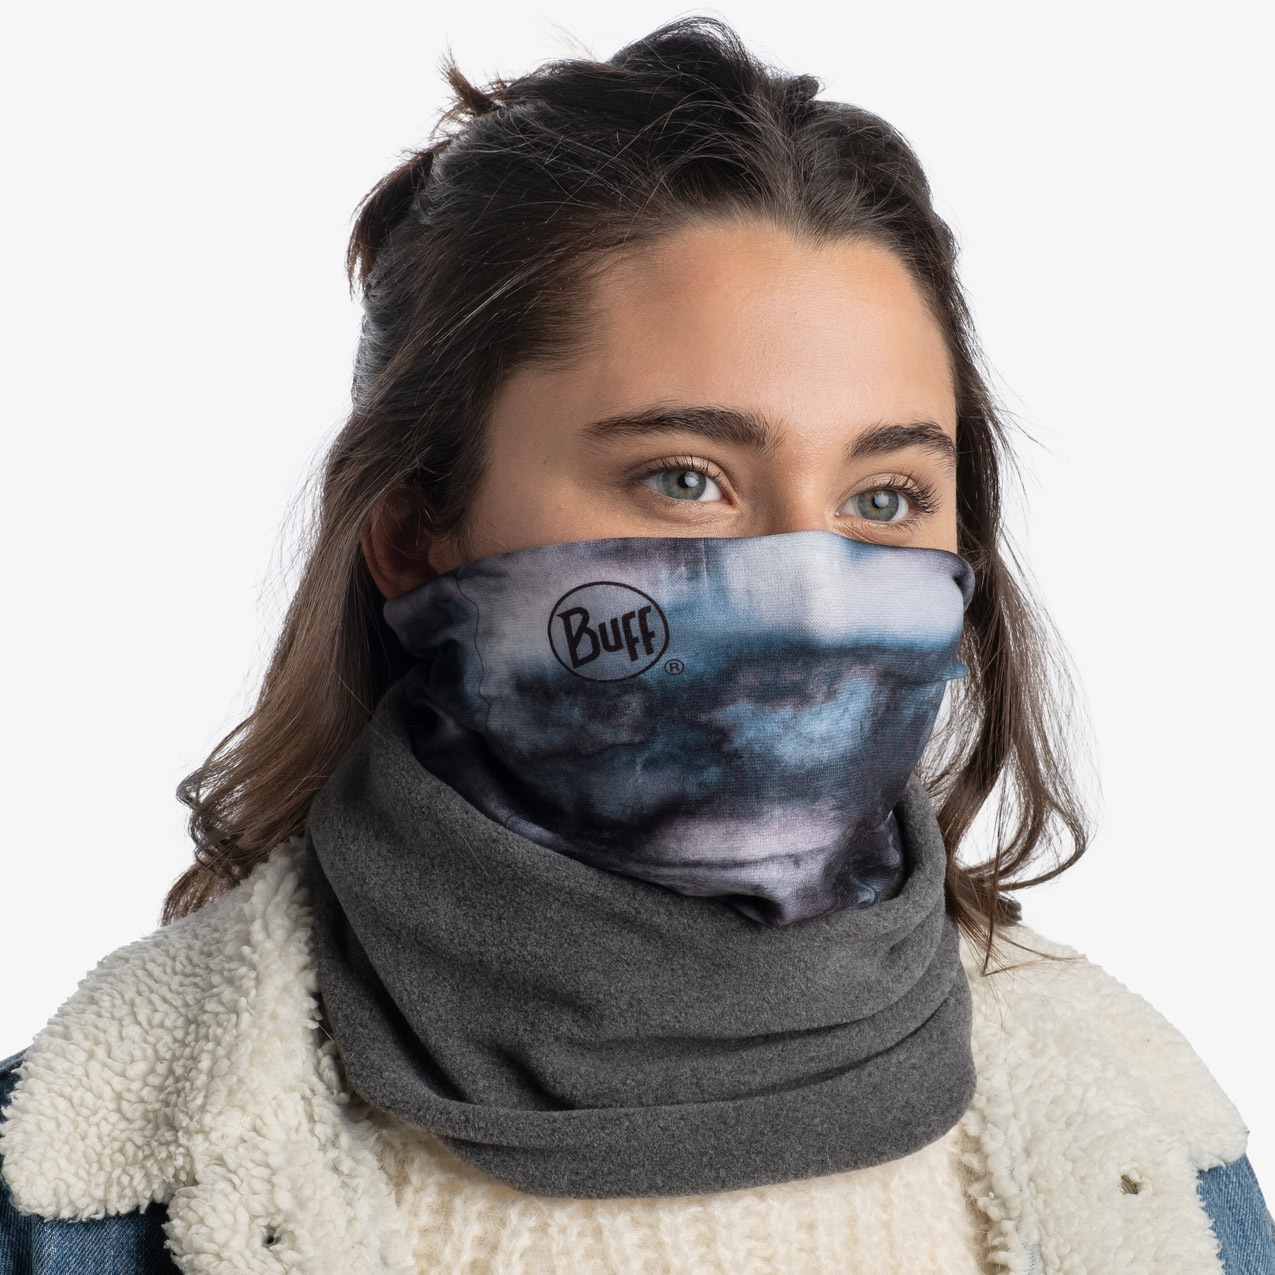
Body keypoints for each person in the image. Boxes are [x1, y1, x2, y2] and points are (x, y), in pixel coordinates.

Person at [1, 15, 1271, 1274]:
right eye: (684, 479)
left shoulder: (1154, 1149)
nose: (814, 605)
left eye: (884, 499)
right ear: (417, 534)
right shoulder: (73, 1188)